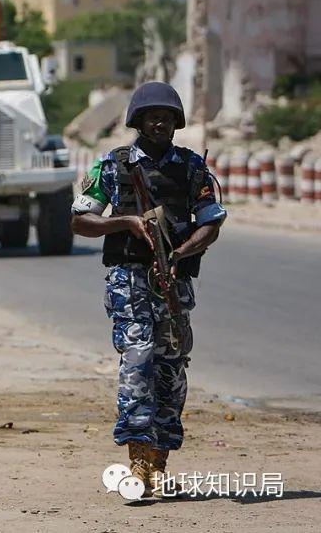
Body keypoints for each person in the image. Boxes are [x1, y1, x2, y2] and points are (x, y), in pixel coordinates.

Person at [70, 82, 226, 497]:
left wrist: (182, 251)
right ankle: (137, 461)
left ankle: (159, 463)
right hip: (129, 281)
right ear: (137, 121)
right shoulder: (114, 166)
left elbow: (211, 222)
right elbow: (80, 220)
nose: (160, 123)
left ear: (177, 123)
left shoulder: (192, 169)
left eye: (168, 117)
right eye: (151, 117)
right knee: (138, 363)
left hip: (173, 283)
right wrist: (126, 223)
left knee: (171, 372)